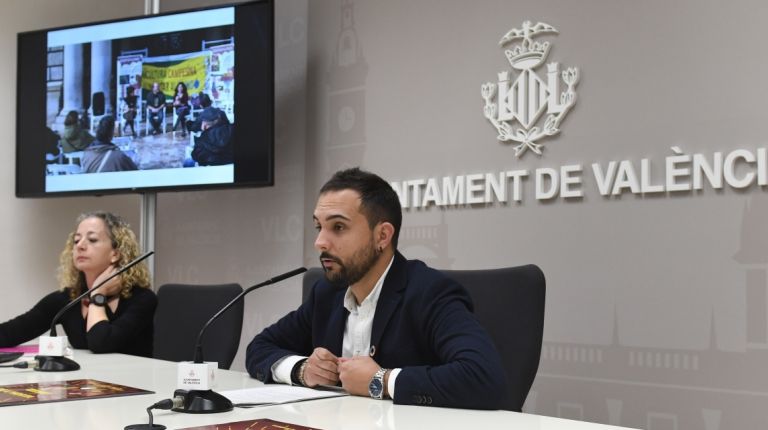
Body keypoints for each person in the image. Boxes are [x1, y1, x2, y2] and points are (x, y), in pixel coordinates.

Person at [246, 168, 508, 410]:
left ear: (382, 236)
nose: (320, 242)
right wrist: (302, 369)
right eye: (319, 226)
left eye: (338, 227)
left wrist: (381, 380)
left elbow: (484, 378)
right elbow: (260, 347)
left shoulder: (430, 292)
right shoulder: (326, 293)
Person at [0, 211, 156, 357]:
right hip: (83, 382)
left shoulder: (142, 299)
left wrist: (98, 295)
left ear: (115, 253)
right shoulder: (66, 299)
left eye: (92, 239)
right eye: (76, 240)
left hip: (131, 383)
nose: (80, 246)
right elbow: (9, 334)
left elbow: (101, 343)